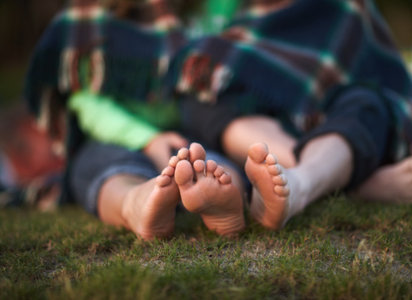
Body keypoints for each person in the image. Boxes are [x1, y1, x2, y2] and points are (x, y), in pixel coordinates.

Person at [168, 0, 412, 229]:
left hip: (336, 130)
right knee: (202, 98)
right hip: (270, 130)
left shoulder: (348, 9)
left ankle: (301, 184)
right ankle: (350, 184)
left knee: (367, 103)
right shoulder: (236, 15)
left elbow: (390, 92)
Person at [24, 0, 247, 239]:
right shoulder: (90, 22)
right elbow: (90, 107)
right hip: (113, 138)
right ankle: (134, 203)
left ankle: (226, 198)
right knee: (104, 170)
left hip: (181, 133)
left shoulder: (197, 17)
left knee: (207, 161)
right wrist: (148, 140)